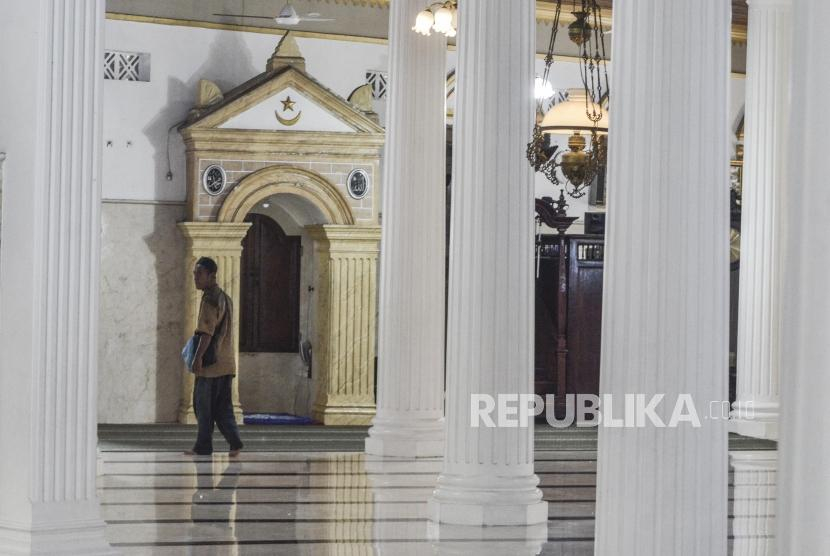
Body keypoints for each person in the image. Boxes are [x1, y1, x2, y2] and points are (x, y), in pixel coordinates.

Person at [185, 256, 244, 457]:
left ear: (212, 275)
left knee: (203, 406)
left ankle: (203, 446)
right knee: (223, 407)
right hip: (226, 363)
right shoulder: (225, 297)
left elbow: (206, 332)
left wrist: (197, 358)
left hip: (212, 365)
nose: (196, 278)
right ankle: (235, 443)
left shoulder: (210, 299)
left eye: (199, 274)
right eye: (195, 274)